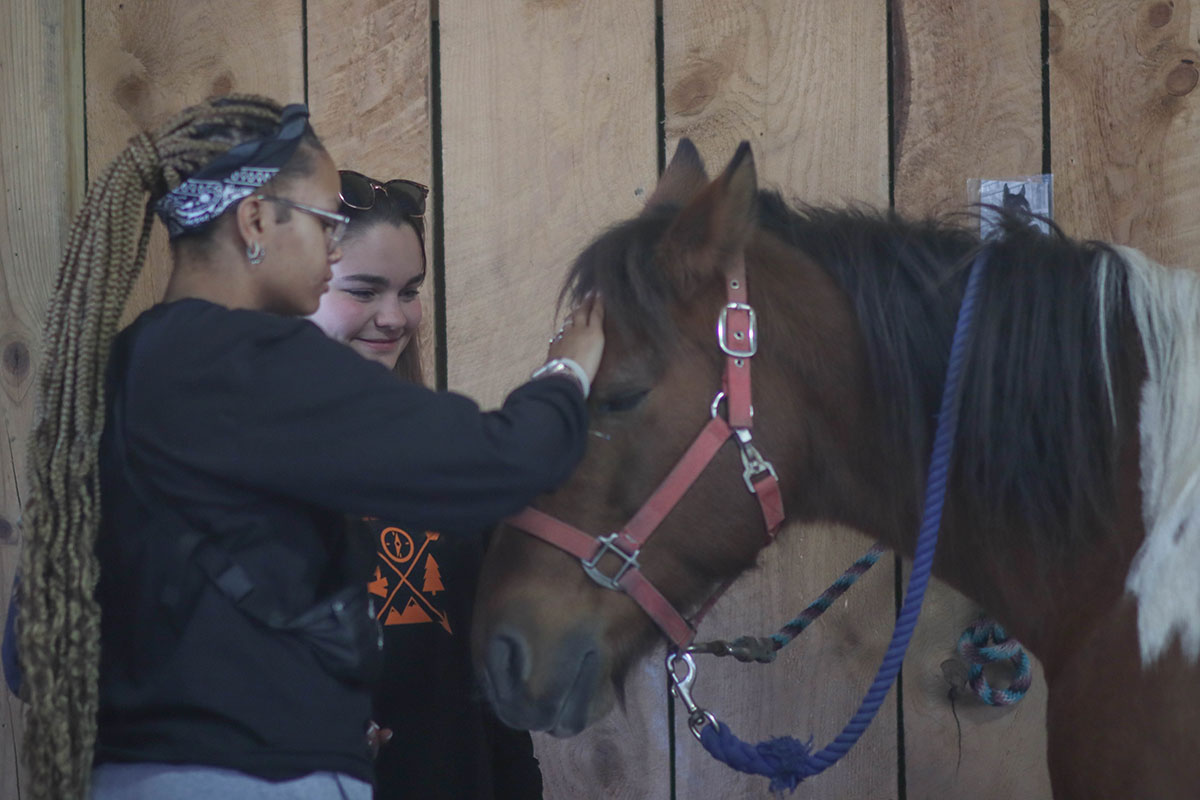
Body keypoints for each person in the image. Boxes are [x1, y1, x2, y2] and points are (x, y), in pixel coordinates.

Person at [16, 94, 602, 800]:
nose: (334, 244)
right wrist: (572, 366)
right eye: (327, 222)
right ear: (256, 220)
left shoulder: (134, 365)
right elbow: (503, 460)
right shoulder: (247, 359)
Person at [308, 170, 543, 799]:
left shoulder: (452, 461)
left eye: (409, 291)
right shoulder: (218, 464)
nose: (394, 317)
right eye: (363, 289)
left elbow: (494, 707)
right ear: (299, 289)